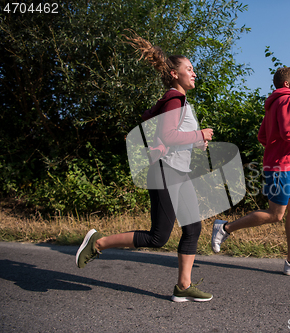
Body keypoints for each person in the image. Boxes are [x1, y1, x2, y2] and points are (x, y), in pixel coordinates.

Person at [75, 31, 214, 302]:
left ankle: (183, 287)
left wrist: (194, 143)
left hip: (178, 171)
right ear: (174, 74)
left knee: (193, 227)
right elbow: (170, 135)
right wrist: (199, 135)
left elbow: (165, 137)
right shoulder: (175, 99)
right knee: (158, 237)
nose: (194, 73)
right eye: (189, 69)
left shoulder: (179, 101)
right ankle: (98, 242)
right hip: (165, 172)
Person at [211, 67, 290, 276]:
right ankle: (225, 228)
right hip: (280, 167)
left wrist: (283, 147)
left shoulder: (273, 104)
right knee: (276, 214)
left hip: (283, 164)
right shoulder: (288, 100)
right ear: (286, 84)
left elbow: (263, 136)